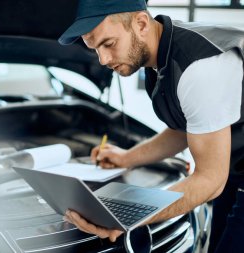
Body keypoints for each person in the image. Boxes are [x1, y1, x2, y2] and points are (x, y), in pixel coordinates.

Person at [58, 0, 244, 252]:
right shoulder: (159, 58)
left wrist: (127, 216)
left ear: (142, 23)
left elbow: (211, 179)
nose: (102, 60)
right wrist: (126, 158)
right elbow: (184, 129)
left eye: (109, 44)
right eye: (95, 49)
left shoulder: (198, 65)